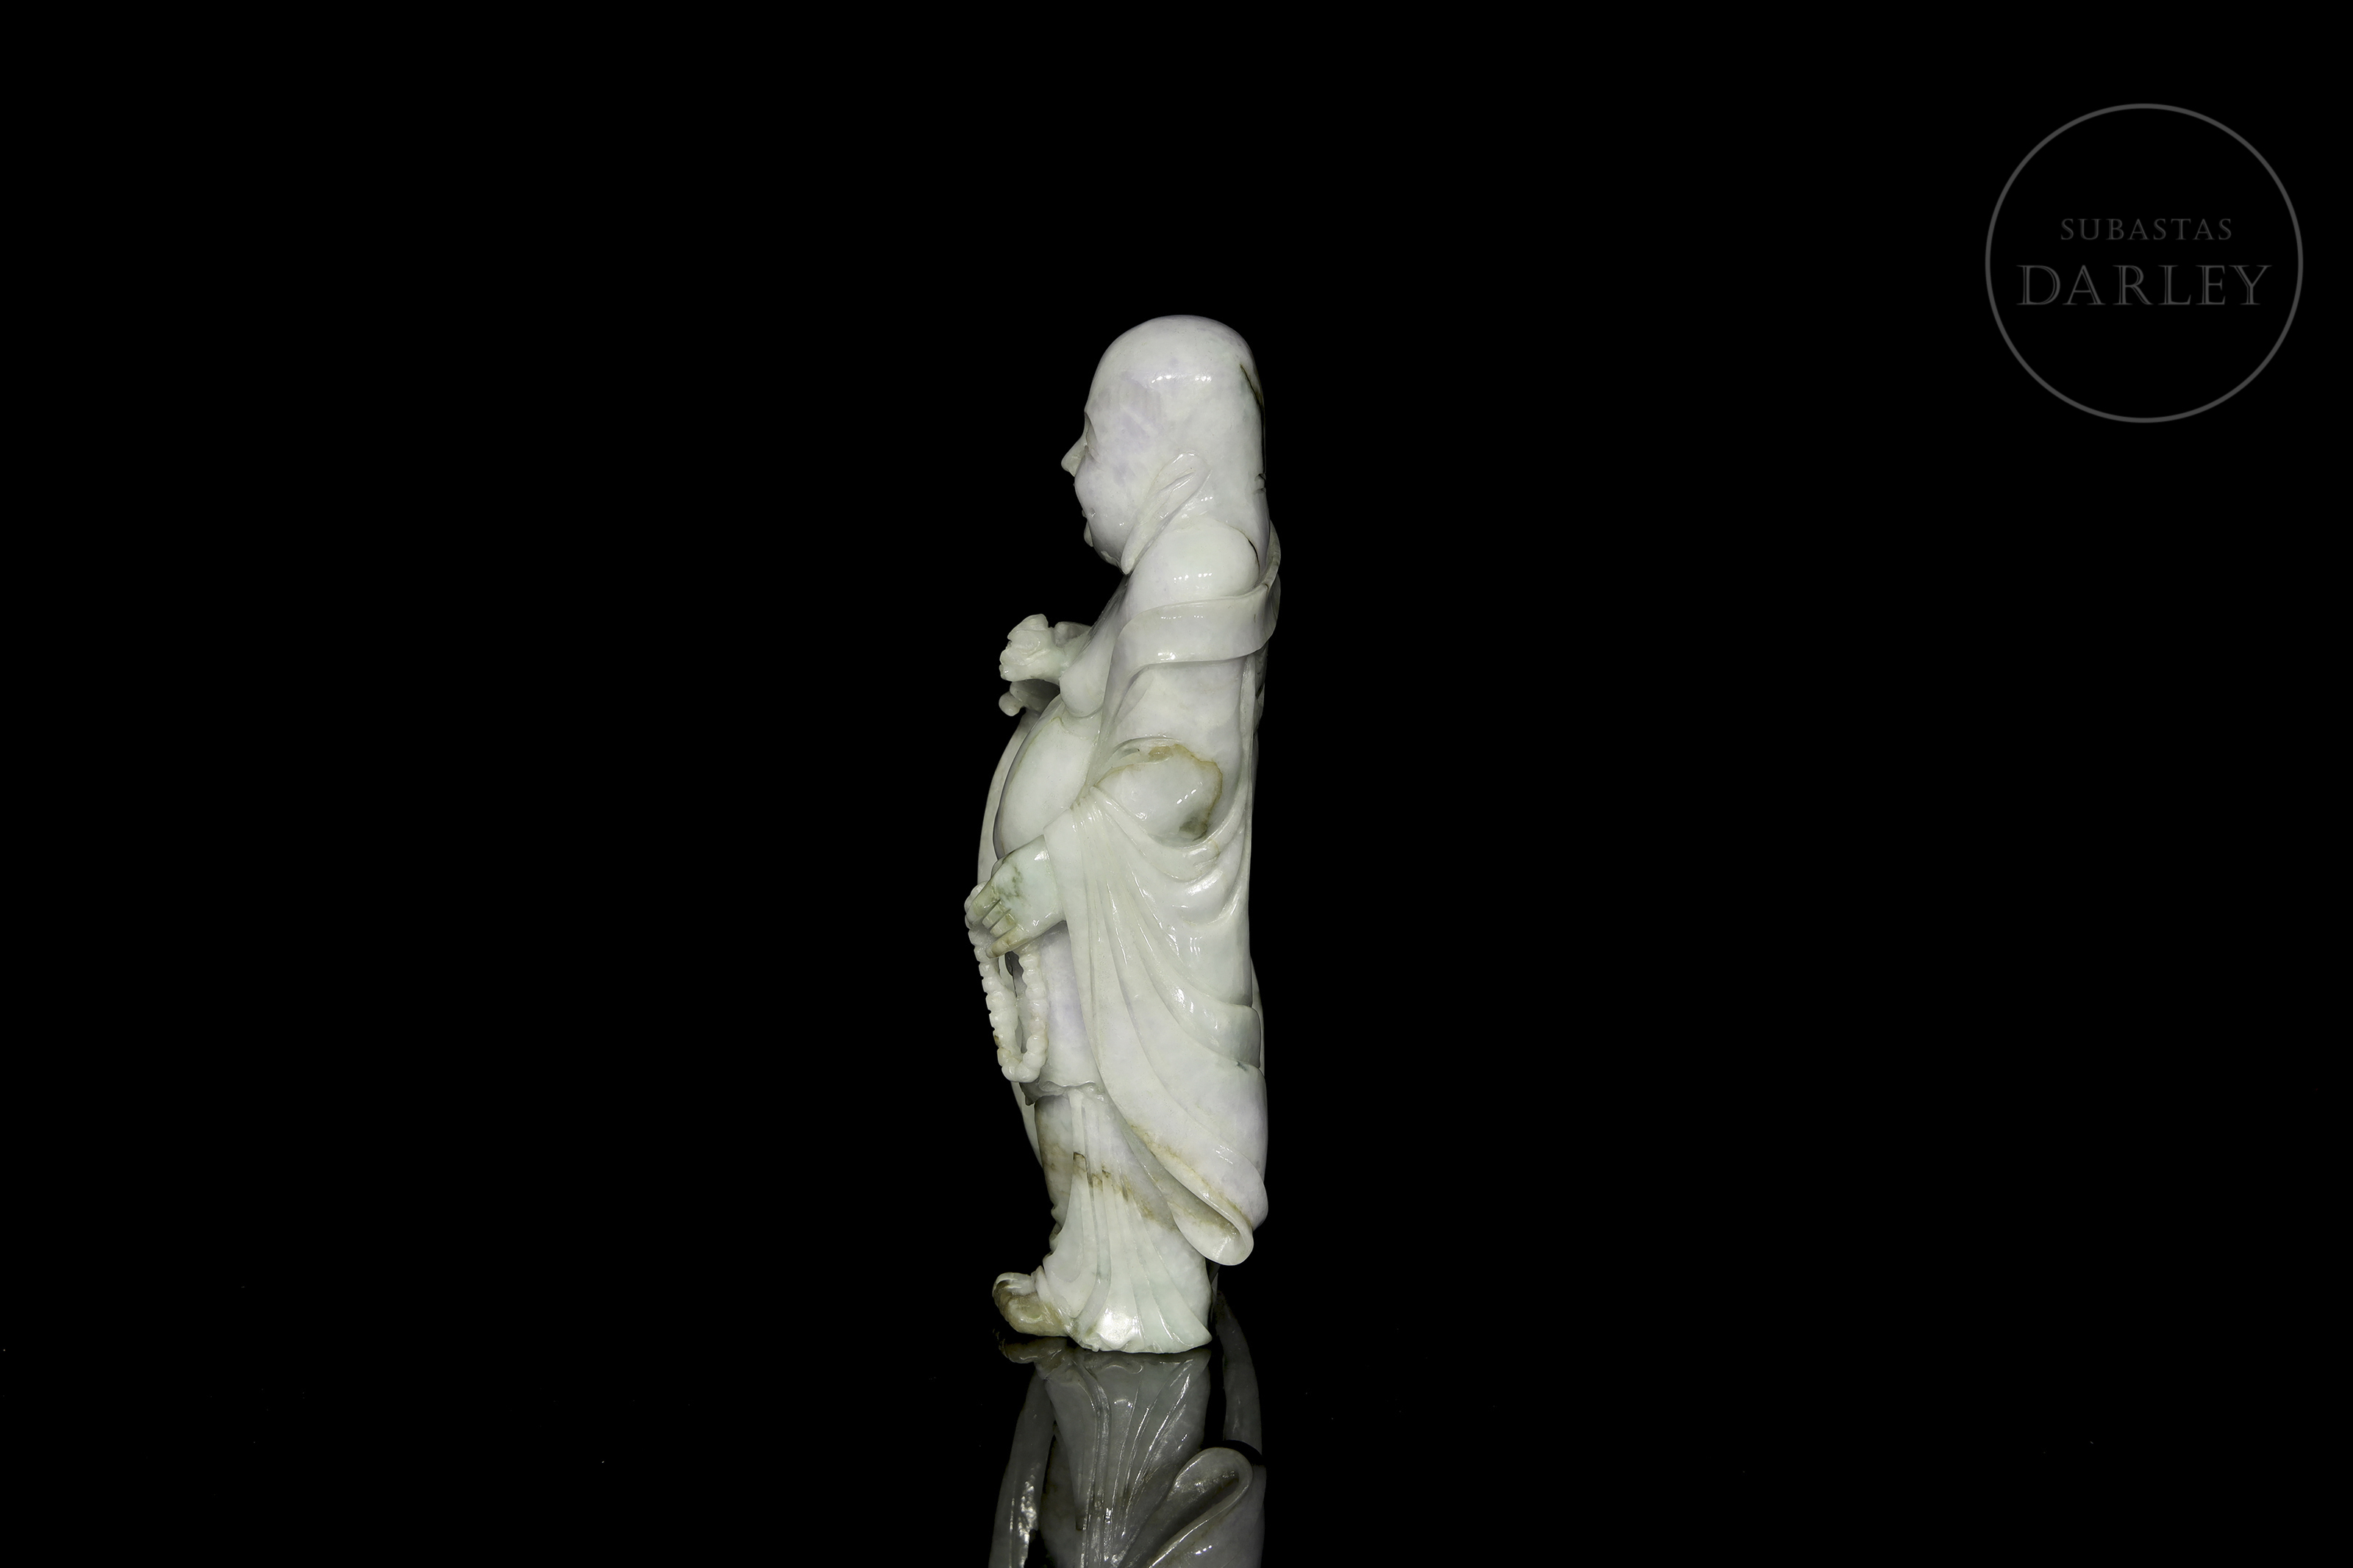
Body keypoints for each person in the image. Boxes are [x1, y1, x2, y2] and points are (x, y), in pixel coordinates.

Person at [965, 316, 1279, 1353]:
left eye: (1096, 436)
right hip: (1094, 927)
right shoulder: (1174, 566)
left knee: (1107, 1093)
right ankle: (1083, 1268)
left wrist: (1054, 869)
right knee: (1072, 1086)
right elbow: (1124, 681)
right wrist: (1066, 662)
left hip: (1129, 920)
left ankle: (1141, 1293)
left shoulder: (1201, 568)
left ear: (1171, 451)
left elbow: (1181, 773)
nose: (1071, 460)